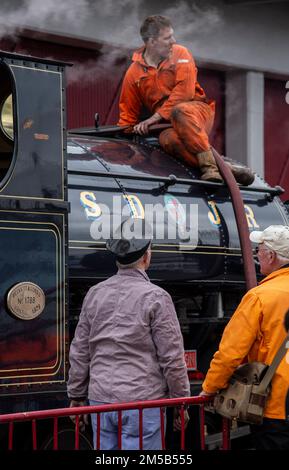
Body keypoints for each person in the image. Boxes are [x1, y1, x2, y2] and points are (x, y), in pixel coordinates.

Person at [67, 218, 190, 450]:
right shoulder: (157, 297)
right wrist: (181, 401)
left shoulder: (94, 294)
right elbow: (172, 358)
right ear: (146, 257)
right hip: (143, 402)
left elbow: (80, 351)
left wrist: (76, 395)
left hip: (100, 400)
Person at [118, 15, 254, 186]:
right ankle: (227, 169)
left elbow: (184, 92)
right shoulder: (133, 73)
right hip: (167, 125)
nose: (173, 41)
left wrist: (153, 118)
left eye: (172, 36)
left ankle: (210, 168)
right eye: (167, 38)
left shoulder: (181, 53)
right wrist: (125, 141)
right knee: (168, 140)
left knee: (180, 110)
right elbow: (127, 113)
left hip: (196, 111)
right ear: (151, 42)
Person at [201, 225, 289, 450]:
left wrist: (210, 388)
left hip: (276, 405)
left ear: (271, 255)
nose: (257, 254)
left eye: (259, 249)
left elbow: (230, 353)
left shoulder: (260, 298)